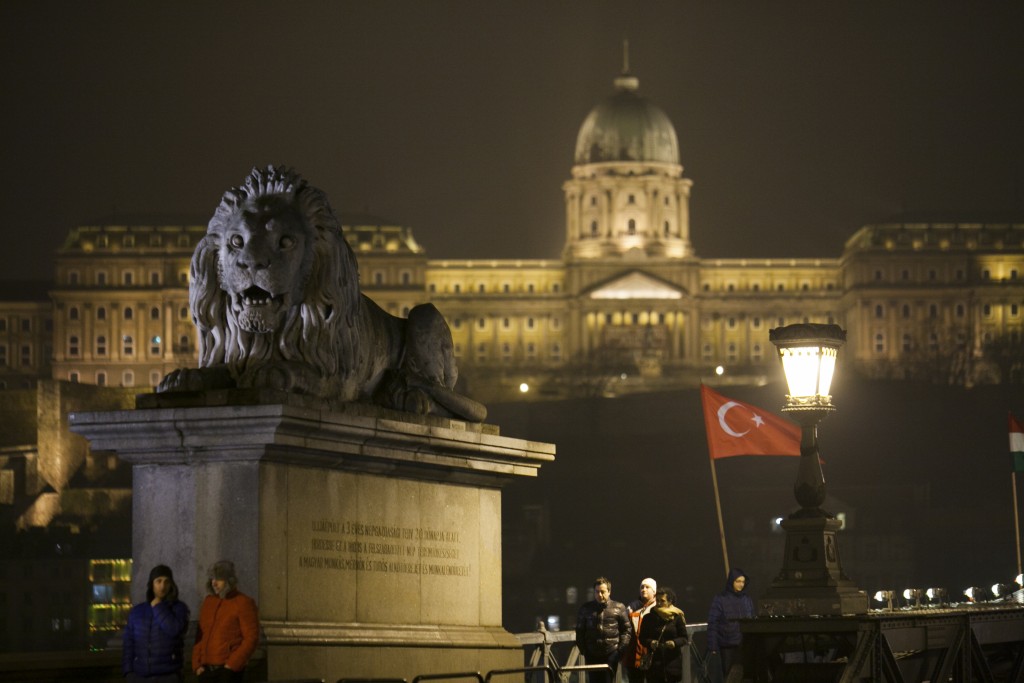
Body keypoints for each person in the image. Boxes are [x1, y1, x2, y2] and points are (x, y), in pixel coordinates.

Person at [192, 560, 260, 682]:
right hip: (205, 672)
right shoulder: (208, 602)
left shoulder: (243, 602)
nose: (214, 583)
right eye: (212, 578)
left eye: (219, 579)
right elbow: (200, 636)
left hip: (228, 673)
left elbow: (251, 637)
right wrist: (197, 665)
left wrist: (232, 665)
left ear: (229, 580)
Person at [122, 564, 190, 682]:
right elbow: (129, 643)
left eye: (166, 582)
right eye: (158, 581)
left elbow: (174, 630)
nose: (162, 586)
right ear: (152, 584)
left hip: (168, 675)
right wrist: (128, 672)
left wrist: (158, 607)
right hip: (139, 676)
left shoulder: (178, 608)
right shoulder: (137, 611)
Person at [575, 576, 633, 683]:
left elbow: (627, 630)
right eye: (597, 592)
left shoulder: (619, 607)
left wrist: (619, 651)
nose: (599, 595)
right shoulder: (586, 609)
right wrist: (584, 650)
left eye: (602, 591)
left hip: (611, 653)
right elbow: (579, 631)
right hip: (592, 653)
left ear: (609, 591)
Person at [706, 568, 754, 682]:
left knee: (745, 675)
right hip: (727, 644)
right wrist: (712, 645)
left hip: (745, 644)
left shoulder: (747, 599)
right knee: (729, 676)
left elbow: (753, 621)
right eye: (738, 581)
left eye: (743, 581)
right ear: (731, 581)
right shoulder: (720, 599)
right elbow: (713, 622)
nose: (741, 584)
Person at [637, 587, 687, 683]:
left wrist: (674, 643)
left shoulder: (677, 617)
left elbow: (684, 638)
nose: (659, 603)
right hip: (654, 667)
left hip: (672, 665)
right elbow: (642, 637)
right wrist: (650, 642)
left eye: (662, 601)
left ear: (670, 601)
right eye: (657, 600)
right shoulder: (648, 618)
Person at [622, 578, 658, 683]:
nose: (644, 589)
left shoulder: (659, 608)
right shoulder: (631, 608)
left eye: (647, 587)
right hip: (633, 658)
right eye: (642, 587)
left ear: (654, 591)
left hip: (652, 657)